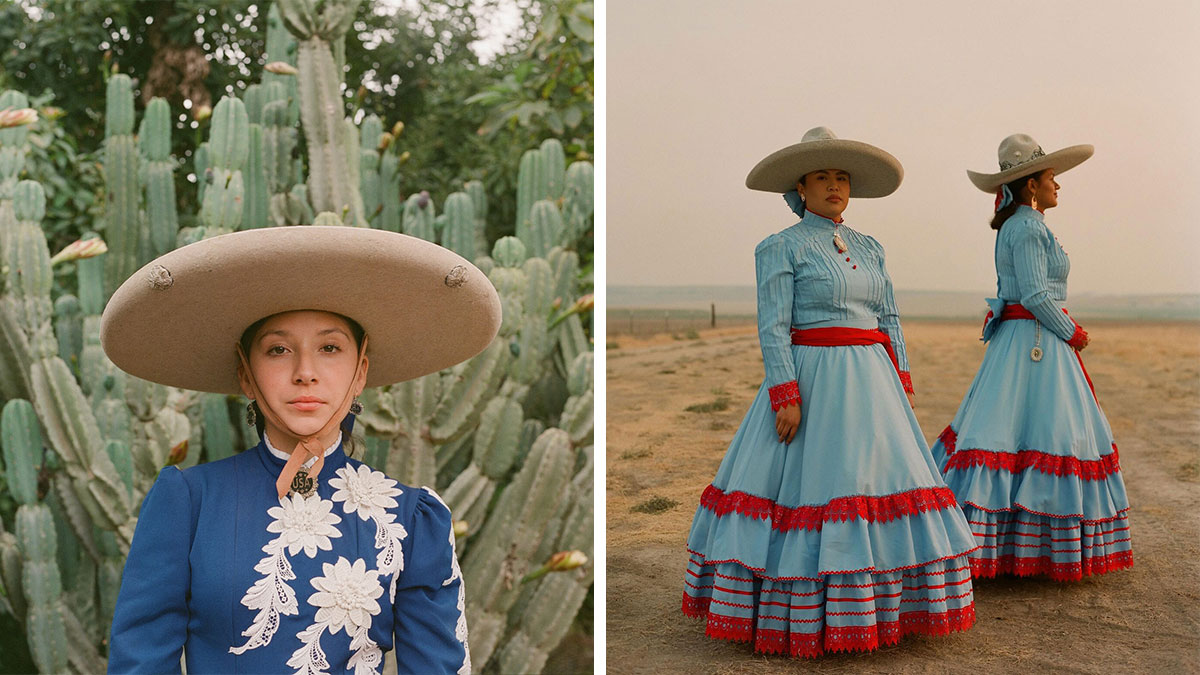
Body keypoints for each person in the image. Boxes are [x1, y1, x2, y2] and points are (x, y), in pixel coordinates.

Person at [103, 225, 500, 674]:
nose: (305, 372)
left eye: (330, 348)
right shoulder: (188, 502)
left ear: (361, 370)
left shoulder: (412, 518)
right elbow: (139, 661)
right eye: (277, 350)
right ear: (245, 374)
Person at [681, 127, 978, 658]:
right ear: (800, 187)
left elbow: (889, 316)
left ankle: (884, 605)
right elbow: (773, 325)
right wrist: (785, 393)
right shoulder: (779, 247)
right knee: (817, 485)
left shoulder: (870, 246)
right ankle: (799, 611)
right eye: (822, 177)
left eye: (841, 177)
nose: (834, 186)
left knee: (877, 480)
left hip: (873, 379)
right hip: (815, 375)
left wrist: (901, 376)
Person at [928, 134, 1132, 581]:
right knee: (1045, 432)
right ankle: (1025, 550)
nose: (1058, 185)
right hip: (1035, 340)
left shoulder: (1019, 226)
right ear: (1031, 185)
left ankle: (1006, 546)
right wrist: (1072, 333)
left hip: (1023, 340)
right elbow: (1038, 295)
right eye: (1051, 177)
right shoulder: (1028, 227)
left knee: (1011, 432)